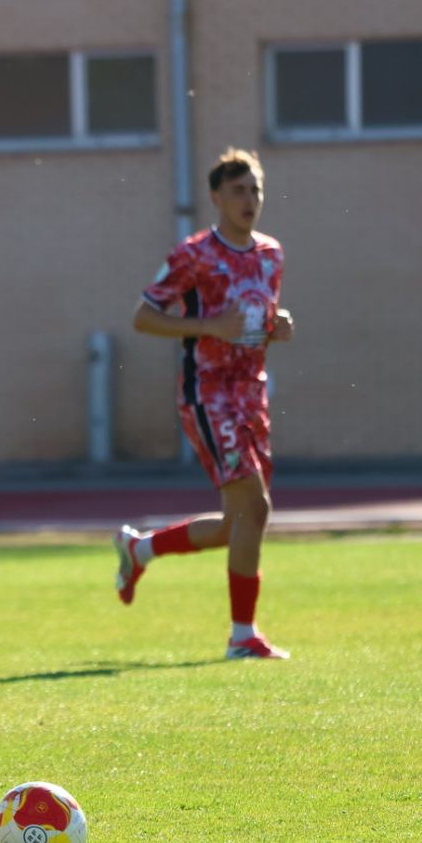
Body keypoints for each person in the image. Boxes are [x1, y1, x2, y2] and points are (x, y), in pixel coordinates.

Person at [114, 148, 294, 661]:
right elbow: (143, 317)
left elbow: (260, 314)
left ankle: (139, 548)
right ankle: (243, 636)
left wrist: (278, 327)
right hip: (208, 393)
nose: (249, 199)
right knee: (255, 508)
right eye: (238, 190)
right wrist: (208, 327)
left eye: (255, 189)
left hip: (251, 393)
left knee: (242, 522)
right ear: (215, 197)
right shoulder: (194, 254)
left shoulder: (271, 253)